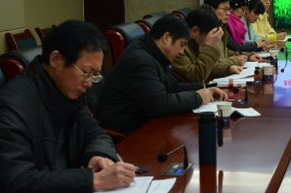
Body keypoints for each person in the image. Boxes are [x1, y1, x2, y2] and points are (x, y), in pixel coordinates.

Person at [0, 20, 135, 193]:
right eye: (86, 73)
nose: (89, 84)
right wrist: (93, 180)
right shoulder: (9, 108)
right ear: (56, 59)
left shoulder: (66, 92)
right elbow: (18, 183)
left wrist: (97, 155)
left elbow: (96, 132)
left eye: (95, 76)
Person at [95, 14, 227, 135]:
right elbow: (161, 104)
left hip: (144, 120)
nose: (182, 52)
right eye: (182, 45)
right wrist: (197, 97)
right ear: (166, 38)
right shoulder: (140, 61)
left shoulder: (154, 53)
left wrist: (206, 88)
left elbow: (173, 86)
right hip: (126, 131)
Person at [171, 5, 243, 83]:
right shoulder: (179, 48)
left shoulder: (196, 42)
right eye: (209, 37)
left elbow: (208, 67)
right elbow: (196, 76)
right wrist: (209, 46)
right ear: (195, 31)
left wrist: (227, 69)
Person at [203, 0, 261, 65]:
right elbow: (211, 63)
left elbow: (226, 52)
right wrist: (235, 61)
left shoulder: (221, 27)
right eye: (225, 9)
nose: (228, 13)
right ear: (212, 9)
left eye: (229, 9)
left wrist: (249, 56)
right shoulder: (205, 31)